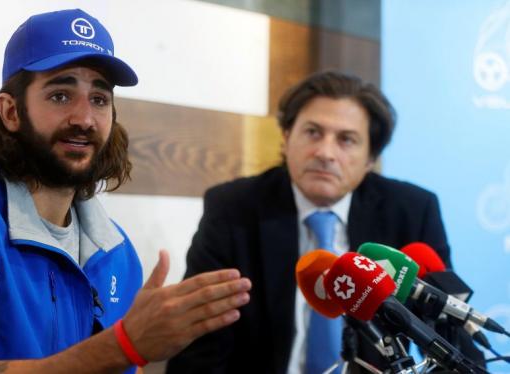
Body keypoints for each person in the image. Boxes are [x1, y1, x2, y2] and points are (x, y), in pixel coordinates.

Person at [0, 9, 251, 374]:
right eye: (60, 95)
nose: (84, 118)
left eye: (99, 99)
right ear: (11, 112)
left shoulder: (116, 251)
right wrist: (125, 344)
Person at [166, 71, 469, 373]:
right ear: (286, 138)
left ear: (370, 158)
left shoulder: (411, 211)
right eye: (312, 132)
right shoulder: (233, 209)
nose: (325, 153)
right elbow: (200, 346)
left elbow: (453, 340)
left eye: (346, 140)